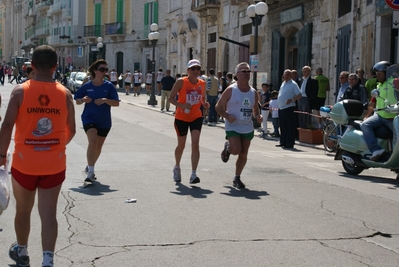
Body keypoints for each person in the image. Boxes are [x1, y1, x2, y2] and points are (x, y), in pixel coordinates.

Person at [0, 45, 75, 267]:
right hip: (54, 164)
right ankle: (48, 260)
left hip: (25, 164)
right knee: (49, 214)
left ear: (31, 66)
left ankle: (22, 252)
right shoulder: (65, 93)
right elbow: (71, 129)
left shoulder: (20, 91)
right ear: (55, 66)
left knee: (23, 210)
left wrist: (2, 156)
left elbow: (6, 127)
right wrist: (55, 146)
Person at [216, 62, 263, 189]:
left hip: (247, 126)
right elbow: (218, 107)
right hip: (233, 126)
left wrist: (258, 116)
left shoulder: (254, 92)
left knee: (243, 154)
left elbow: (255, 109)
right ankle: (228, 149)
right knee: (236, 150)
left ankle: (237, 177)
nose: (246, 74)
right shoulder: (231, 90)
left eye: (248, 71)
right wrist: (227, 116)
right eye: (243, 71)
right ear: (237, 74)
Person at [74, 59, 120, 182]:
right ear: (95, 71)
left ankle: (90, 165)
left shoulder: (109, 86)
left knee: (98, 147)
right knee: (92, 142)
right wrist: (83, 100)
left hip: (104, 120)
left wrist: (105, 100)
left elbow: (116, 103)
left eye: (106, 70)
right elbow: (77, 100)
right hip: (89, 118)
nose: (104, 72)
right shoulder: (87, 86)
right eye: (101, 69)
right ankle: (91, 172)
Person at [168, 59, 209, 184]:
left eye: (198, 68)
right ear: (188, 70)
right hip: (181, 117)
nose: (196, 71)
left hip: (196, 116)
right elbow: (170, 98)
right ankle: (177, 166)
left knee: (195, 144)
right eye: (193, 69)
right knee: (181, 145)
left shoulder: (202, 83)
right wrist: (182, 105)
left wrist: (205, 104)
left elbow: (202, 98)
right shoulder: (181, 82)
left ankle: (193, 174)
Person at [360, 61, 393, 161]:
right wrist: (367, 116)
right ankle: (375, 149)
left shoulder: (395, 82)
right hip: (380, 116)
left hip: (393, 117)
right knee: (365, 124)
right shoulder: (378, 86)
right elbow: (372, 103)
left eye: (380, 74)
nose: (378, 76)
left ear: (387, 73)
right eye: (377, 74)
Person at [276, 69, 302, 149]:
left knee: (289, 126)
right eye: (285, 75)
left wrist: (292, 99)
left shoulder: (293, 84)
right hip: (281, 107)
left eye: (288, 75)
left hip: (289, 107)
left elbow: (299, 94)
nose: (286, 76)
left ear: (291, 76)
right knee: (283, 126)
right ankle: (283, 141)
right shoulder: (283, 83)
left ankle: (290, 143)